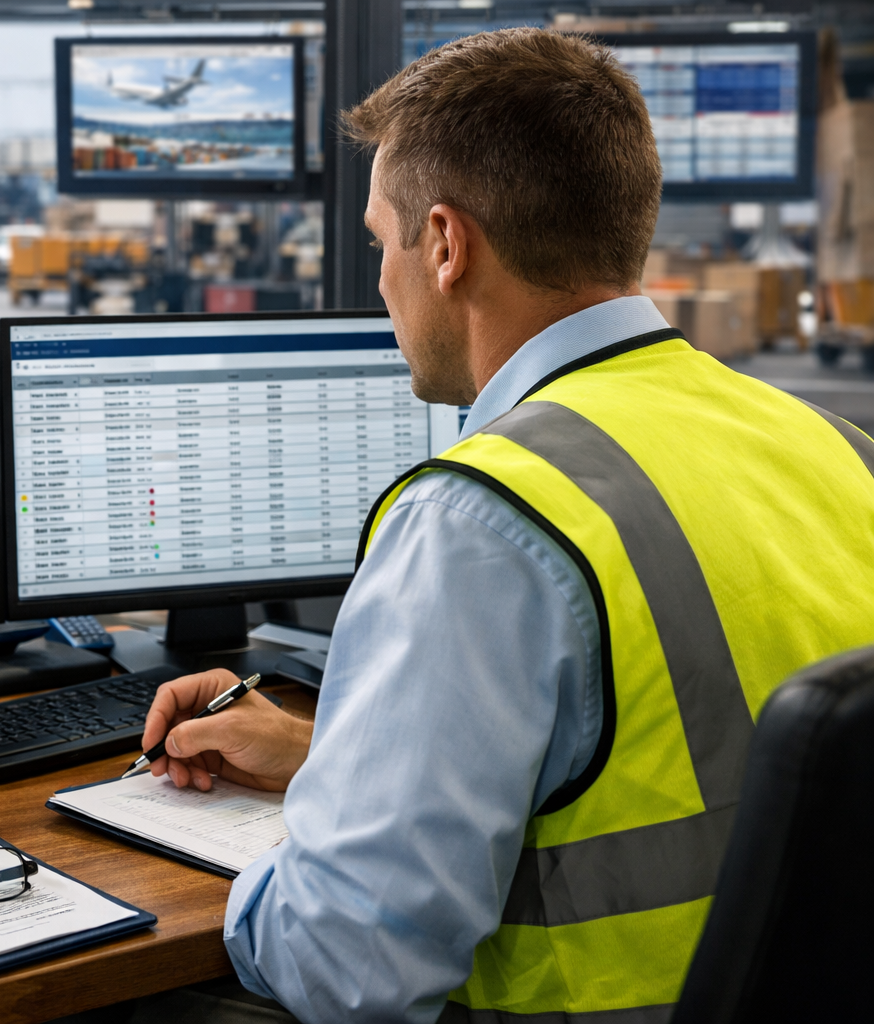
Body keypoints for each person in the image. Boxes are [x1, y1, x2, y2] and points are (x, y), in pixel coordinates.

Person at [139, 27, 874, 1023]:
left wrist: (305, 845)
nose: (383, 283)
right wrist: (341, 764)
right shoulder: (835, 444)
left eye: (378, 242)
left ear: (444, 245)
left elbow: (344, 966)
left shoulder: (482, 520)